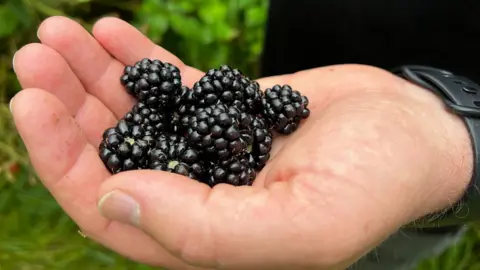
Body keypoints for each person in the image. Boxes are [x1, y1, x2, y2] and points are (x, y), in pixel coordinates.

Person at [8, 2, 476, 269]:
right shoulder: (220, 118)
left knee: (385, 250)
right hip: (319, 49)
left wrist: (454, 141)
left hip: (439, 144)